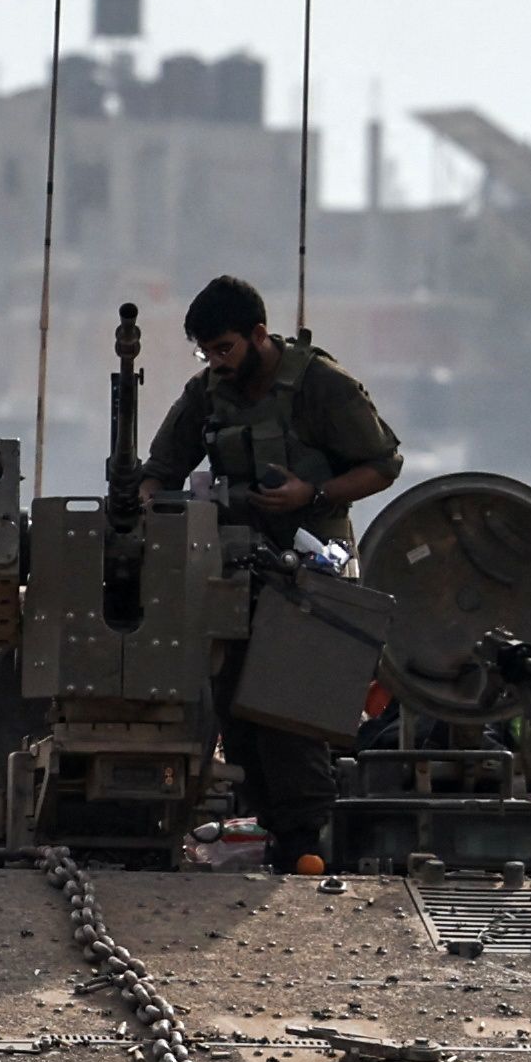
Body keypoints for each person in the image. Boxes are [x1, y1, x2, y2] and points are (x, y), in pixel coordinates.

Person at [145, 274, 399, 859]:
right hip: (236, 570)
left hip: (314, 572)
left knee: (293, 709)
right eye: (207, 352)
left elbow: (383, 464)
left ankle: (304, 842)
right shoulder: (207, 392)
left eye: (226, 348)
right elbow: (164, 465)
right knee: (238, 710)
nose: (217, 362)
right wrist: (153, 499)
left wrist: (312, 494)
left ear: (259, 334)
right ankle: (267, 828)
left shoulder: (322, 387)